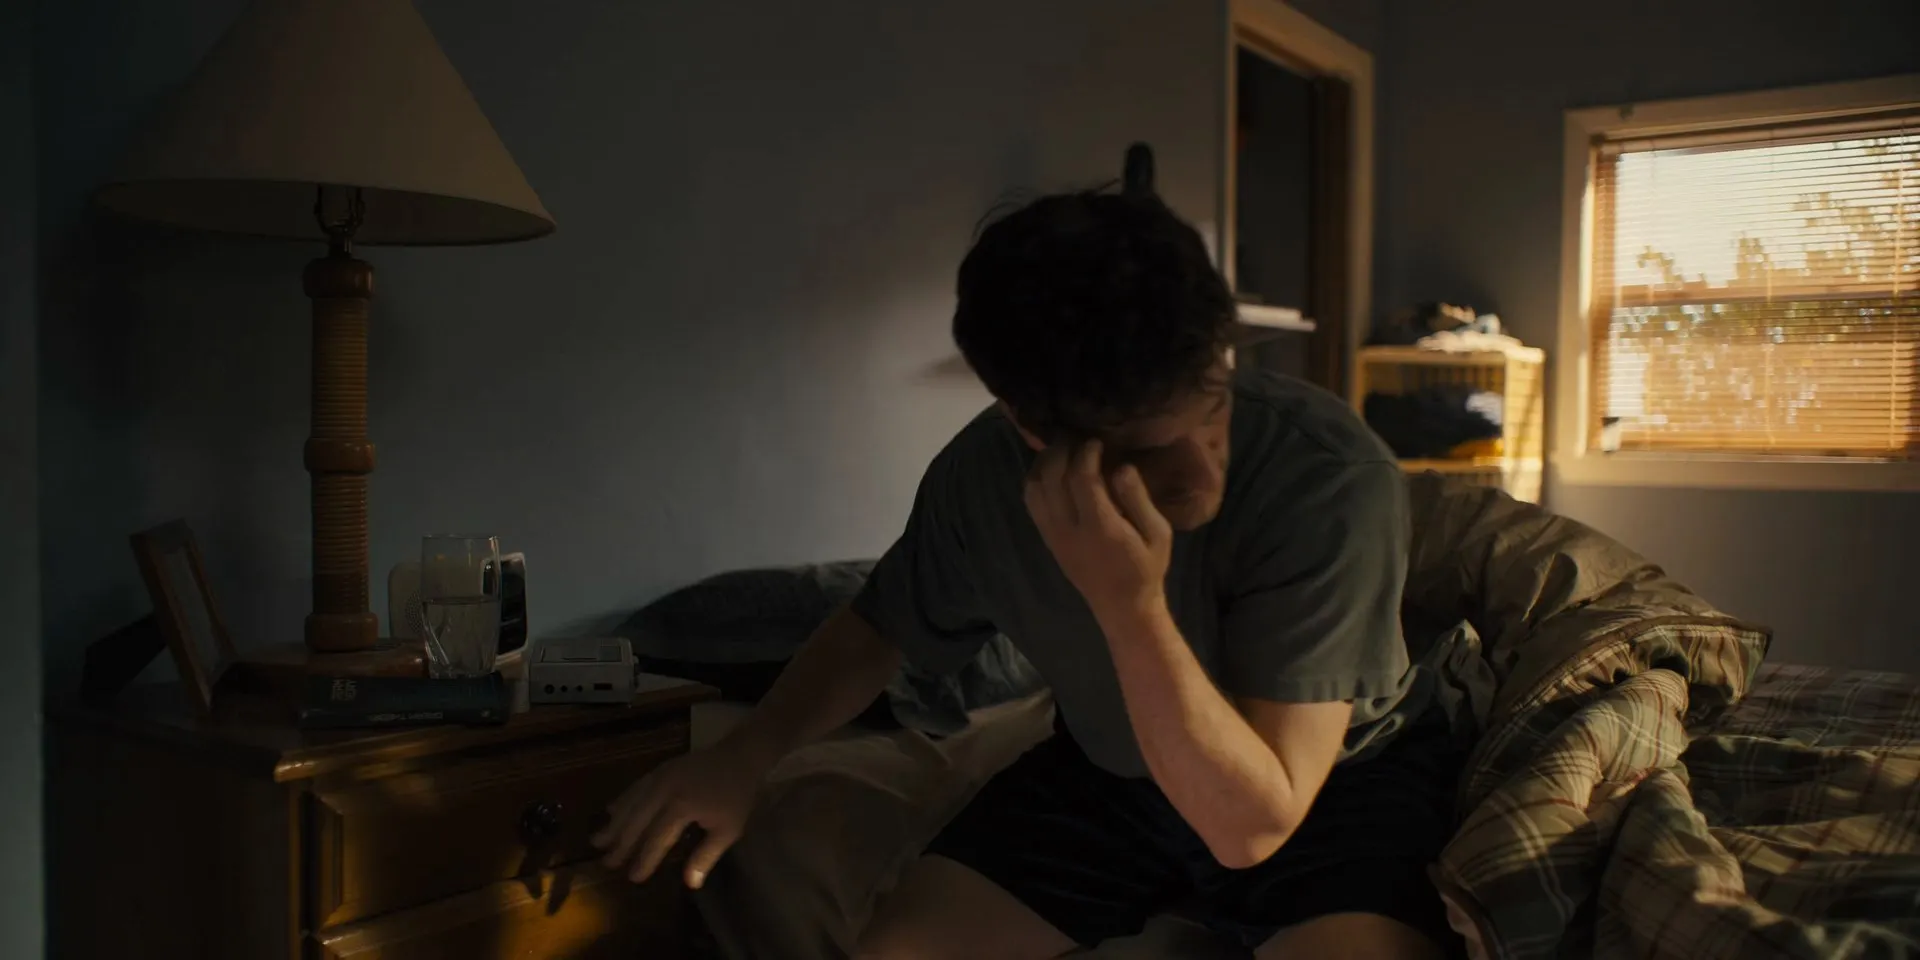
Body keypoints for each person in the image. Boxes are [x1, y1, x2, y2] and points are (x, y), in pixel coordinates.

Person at [591, 190, 1461, 960]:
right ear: (1029, 427)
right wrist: (745, 757)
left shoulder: (1330, 479)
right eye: (1148, 450)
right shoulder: (982, 480)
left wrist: (1129, 604)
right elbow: (875, 628)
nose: (1203, 474)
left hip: (1335, 779)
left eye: (1214, 406)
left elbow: (1252, 826)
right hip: (1112, 774)